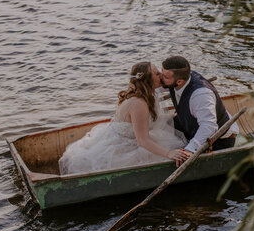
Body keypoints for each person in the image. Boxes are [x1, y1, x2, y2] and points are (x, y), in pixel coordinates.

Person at [59, 61, 189, 175]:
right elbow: (143, 140)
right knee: (170, 154)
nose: (161, 75)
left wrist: (169, 115)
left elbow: (148, 119)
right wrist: (168, 153)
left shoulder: (147, 94)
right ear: (147, 80)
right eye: (156, 73)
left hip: (132, 138)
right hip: (123, 146)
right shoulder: (139, 103)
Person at [161, 56, 239, 161]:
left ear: (179, 82)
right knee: (159, 127)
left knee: (176, 156)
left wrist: (190, 149)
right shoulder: (180, 76)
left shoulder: (200, 94)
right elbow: (157, 86)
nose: (161, 77)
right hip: (192, 121)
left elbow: (209, 126)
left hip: (218, 139)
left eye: (165, 77)